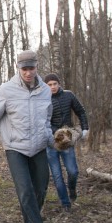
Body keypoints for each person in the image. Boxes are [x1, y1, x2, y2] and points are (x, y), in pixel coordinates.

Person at [0, 50, 53, 223]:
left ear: (37, 67)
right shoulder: (6, 90)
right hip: (15, 147)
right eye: (24, 69)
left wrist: (52, 138)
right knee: (25, 190)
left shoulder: (45, 91)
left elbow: (47, 119)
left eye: (31, 68)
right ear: (18, 68)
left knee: (41, 188)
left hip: (39, 146)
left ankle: (33, 216)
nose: (28, 73)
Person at [43, 72, 89, 211]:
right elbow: (41, 121)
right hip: (51, 142)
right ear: (45, 86)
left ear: (59, 84)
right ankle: (65, 203)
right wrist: (54, 132)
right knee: (57, 175)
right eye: (49, 85)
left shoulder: (68, 95)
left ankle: (72, 190)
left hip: (67, 140)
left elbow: (81, 111)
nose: (52, 87)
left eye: (54, 84)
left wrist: (85, 128)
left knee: (73, 171)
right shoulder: (42, 99)